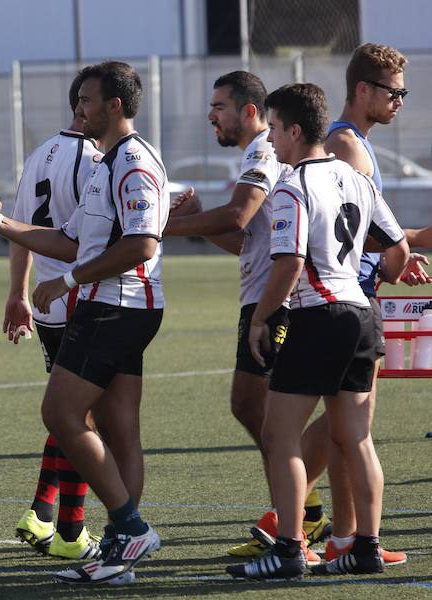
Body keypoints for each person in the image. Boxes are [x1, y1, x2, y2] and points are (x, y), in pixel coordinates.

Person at [0, 61, 166, 585]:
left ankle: (128, 527)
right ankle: (117, 554)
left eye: (86, 99)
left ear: (115, 106)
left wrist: (69, 280)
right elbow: (64, 237)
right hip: (115, 305)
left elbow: (142, 243)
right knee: (119, 430)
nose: (77, 107)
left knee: (61, 414)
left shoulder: (131, 160)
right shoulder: (105, 164)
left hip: (117, 306)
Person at [227, 83, 409, 580]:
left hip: (317, 315)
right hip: (363, 312)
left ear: (293, 129)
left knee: (279, 432)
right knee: (356, 437)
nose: (273, 142)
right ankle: (365, 548)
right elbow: (397, 254)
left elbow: (288, 264)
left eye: (276, 130)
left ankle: (289, 550)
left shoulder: (292, 187)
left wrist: (262, 318)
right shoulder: (357, 180)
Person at [164, 71, 329, 559]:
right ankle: (301, 513)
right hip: (271, 299)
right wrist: (193, 221)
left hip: (274, 303)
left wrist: (155, 226)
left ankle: (303, 517)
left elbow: (237, 215)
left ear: (250, 111)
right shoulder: (259, 153)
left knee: (262, 412)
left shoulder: (263, 150)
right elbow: (244, 240)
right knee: (259, 410)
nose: (212, 115)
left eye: (219, 106)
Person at [322, 43, 423, 567]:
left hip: (349, 296)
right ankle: (352, 538)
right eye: (393, 91)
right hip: (353, 300)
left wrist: (409, 248)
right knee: (350, 431)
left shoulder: (351, 141)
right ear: (363, 90)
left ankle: (345, 537)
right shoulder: (348, 145)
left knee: (344, 430)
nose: (400, 100)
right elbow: (362, 237)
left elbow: (368, 232)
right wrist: (397, 257)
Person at [8, 74, 103, 561]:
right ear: (88, 107)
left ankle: (43, 513)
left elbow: (22, 231)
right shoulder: (96, 159)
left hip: (47, 306)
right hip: (82, 298)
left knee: (70, 412)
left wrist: (17, 294)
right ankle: (70, 531)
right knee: (81, 418)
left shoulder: (40, 153)